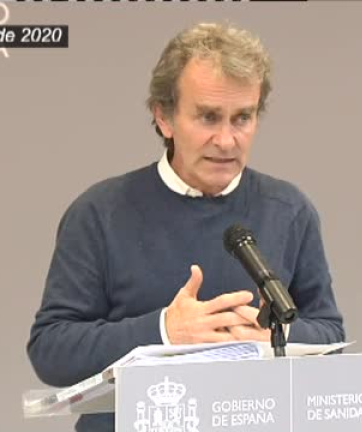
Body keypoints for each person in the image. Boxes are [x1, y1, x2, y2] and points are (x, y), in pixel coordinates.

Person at [27, 22, 345, 432]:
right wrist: (164, 331)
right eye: (208, 117)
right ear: (164, 117)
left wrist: (273, 338)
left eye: (242, 118)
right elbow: (52, 350)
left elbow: (330, 335)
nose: (227, 140)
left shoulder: (289, 210)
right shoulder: (100, 213)